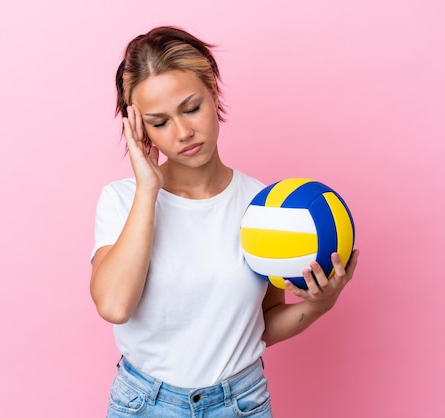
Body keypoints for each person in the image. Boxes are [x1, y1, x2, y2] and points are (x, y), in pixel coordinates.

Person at [90, 26, 359, 417]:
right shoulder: (121, 200)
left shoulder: (264, 208)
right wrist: (148, 190)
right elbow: (115, 306)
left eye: (191, 107)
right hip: (144, 405)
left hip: (239, 403)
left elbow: (261, 325)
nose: (183, 133)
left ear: (214, 94)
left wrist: (321, 304)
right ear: (139, 129)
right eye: (159, 122)